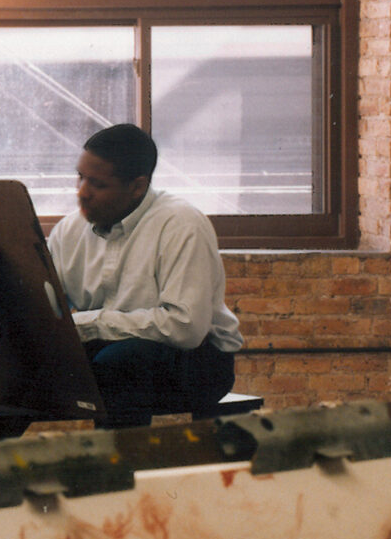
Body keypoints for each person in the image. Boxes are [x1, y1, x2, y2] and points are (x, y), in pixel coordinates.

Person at [46, 123, 243, 428]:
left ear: (137, 187)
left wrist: (92, 323)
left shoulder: (181, 224)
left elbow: (185, 327)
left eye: (98, 184)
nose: (82, 193)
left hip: (198, 358)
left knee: (120, 362)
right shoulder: (69, 231)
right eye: (80, 177)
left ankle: (119, 458)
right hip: (111, 347)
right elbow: (49, 308)